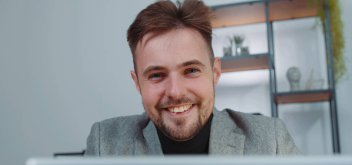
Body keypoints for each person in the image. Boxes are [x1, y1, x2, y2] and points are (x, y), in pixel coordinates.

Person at [85, 0, 300, 156]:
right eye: (157, 75)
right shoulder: (105, 143)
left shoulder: (271, 142)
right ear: (137, 83)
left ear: (215, 73)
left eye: (191, 71)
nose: (176, 92)